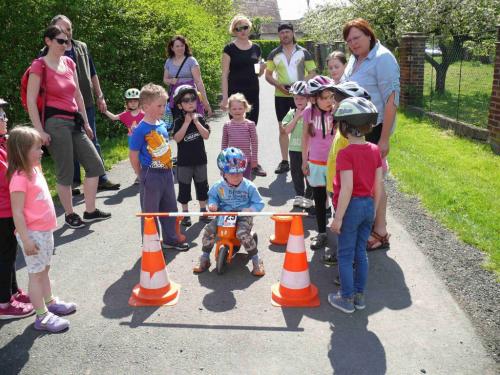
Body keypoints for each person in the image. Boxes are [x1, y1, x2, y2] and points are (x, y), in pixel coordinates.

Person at [28, 25, 111, 229]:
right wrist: (39, 130)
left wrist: (85, 121)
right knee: (65, 171)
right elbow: (31, 100)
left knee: (95, 165)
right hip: (55, 123)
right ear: (48, 41)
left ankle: (90, 211)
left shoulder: (70, 62)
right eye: (60, 41)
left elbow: (78, 95)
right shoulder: (40, 66)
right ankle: (70, 214)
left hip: (74, 121)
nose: (65, 45)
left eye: (67, 41)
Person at [8, 126, 77, 331]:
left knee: (45, 269)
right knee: (36, 274)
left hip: (44, 231)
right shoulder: (19, 178)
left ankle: (50, 302)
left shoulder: (35, 169)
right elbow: (17, 212)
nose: (41, 152)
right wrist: (26, 239)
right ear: (22, 151)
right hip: (32, 234)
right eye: (36, 149)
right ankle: (42, 316)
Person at [342, 18, 400, 250]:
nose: (353, 44)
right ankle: (369, 225)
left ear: (369, 35)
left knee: (375, 182)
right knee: (364, 181)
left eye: (357, 38)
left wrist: (384, 138)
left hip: (374, 129)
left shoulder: (383, 58)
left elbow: (392, 99)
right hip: (356, 129)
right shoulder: (355, 59)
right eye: (349, 41)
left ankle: (380, 231)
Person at [48, 15, 120, 193]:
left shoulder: (82, 46)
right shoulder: (48, 50)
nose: (67, 33)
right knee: (68, 144)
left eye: (69, 28)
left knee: (92, 138)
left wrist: (100, 95)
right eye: (62, 29)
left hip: (86, 101)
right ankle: (72, 184)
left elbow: (93, 73)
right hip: (63, 107)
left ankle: (101, 179)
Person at [327, 97, 383, 313]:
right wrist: (375, 211)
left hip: (351, 208)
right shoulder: (374, 150)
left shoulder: (345, 154)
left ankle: (346, 298)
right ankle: (359, 296)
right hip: (369, 205)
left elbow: (347, 188)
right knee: (361, 252)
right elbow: (377, 185)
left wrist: (338, 217)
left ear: (344, 127)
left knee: (345, 254)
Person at [128, 83, 189, 251]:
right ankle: (151, 243)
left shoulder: (161, 124)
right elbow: (133, 155)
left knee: (170, 208)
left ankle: (170, 239)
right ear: (146, 107)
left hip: (167, 173)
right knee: (150, 212)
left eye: (164, 105)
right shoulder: (141, 129)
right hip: (151, 174)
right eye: (160, 105)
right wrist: (140, 174)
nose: (163, 109)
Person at [193, 147, 265, 276]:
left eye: (239, 173)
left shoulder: (249, 186)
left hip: (242, 215)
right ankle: (204, 257)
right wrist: (213, 204)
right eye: (232, 174)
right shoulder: (218, 186)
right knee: (209, 230)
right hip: (224, 214)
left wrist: (251, 209)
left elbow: (259, 202)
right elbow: (212, 197)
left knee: (242, 232)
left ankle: (256, 259)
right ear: (223, 173)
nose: (236, 176)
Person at [265, 22, 317, 175]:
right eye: (282, 33)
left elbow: (313, 72)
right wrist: (278, 85)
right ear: (279, 35)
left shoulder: (304, 52)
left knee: (305, 126)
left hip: (300, 95)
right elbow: (268, 75)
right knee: (283, 128)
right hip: (281, 95)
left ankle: (306, 157)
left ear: (292, 33)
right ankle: (285, 161)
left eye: (287, 32)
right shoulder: (273, 54)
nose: (285, 35)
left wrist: (299, 84)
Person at [0, 100, 34, 320]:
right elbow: (7, 177)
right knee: (3, 256)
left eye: (3, 114)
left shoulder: (3, 143)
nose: (5, 119)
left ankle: (13, 291)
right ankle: (3, 303)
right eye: (0, 116)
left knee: (10, 254)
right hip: (2, 211)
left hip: (8, 209)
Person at [220, 15, 266, 177]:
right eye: (238, 28)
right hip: (235, 95)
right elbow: (224, 74)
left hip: (253, 92)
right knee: (237, 129)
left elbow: (257, 73)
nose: (242, 31)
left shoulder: (256, 48)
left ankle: (253, 164)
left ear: (249, 28)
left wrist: (262, 69)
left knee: (251, 128)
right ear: (234, 30)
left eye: (245, 27)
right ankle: (235, 162)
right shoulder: (229, 49)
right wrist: (225, 98)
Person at [302, 76, 336, 252]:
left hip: (334, 163)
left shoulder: (337, 112)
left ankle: (341, 234)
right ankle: (322, 232)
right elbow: (305, 138)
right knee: (320, 199)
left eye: (332, 96)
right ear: (314, 99)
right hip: (315, 162)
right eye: (325, 97)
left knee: (337, 199)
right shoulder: (308, 112)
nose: (330, 101)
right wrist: (304, 161)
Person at [172, 85, 211, 227]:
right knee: (184, 187)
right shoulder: (178, 121)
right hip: (184, 162)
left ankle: (203, 210)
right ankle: (186, 213)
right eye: (186, 100)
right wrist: (187, 122)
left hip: (200, 160)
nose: (190, 102)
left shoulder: (200, 118)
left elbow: (206, 135)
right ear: (180, 105)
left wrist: (195, 122)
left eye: (193, 99)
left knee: (202, 186)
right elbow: (177, 138)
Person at [163, 35, 212, 121]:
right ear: (172, 48)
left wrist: (205, 102)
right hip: (176, 97)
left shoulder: (191, 60)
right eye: (177, 46)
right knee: (178, 122)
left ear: (185, 46)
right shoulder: (169, 61)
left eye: (182, 45)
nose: (180, 48)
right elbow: (165, 80)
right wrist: (171, 81)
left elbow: (199, 81)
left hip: (191, 96)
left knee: (195, 122)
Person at [281, 81, 313, 209]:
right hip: (294, 149)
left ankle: (309, 197)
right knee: (296, 174)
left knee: (309, 174)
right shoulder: (291, 113)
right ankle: (299, 195)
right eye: (296, 98)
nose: (299, 101)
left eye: (302, 98)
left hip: (310, 150)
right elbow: (286, 131)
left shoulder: (312, 112)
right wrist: (296, 117)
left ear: (308, 98)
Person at [221, 93, 260, 180]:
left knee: (244, 182)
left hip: (245, 160)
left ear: (245, 109)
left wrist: (254, 159)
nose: (237, 111)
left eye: (240, 108)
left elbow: (254, 143)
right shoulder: (227, 125)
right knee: (231, 182)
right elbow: (224, 144)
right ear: (230, 110)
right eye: (234, 109)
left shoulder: (250, 124)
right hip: (231, 160)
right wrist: (223, 160)